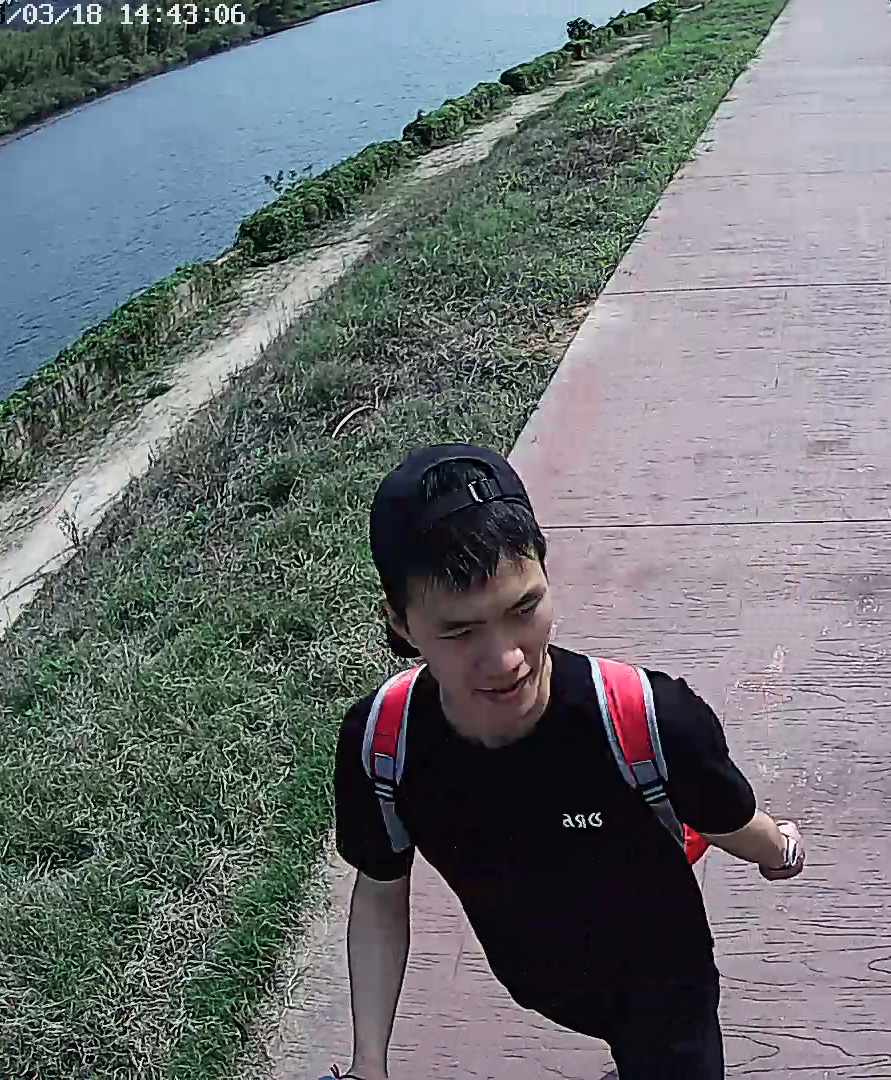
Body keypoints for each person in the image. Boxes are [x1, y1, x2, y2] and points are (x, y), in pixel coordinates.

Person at [325, 443, 806, 1080]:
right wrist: (368, 1063)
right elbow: (381, 890)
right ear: (401, 623)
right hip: (536, 980)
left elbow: (729, 822)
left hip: (665, 984)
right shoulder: (383, 745)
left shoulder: (647, 718)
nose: (506, 660)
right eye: (460, 631)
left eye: (523, 609)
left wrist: (780, 851)